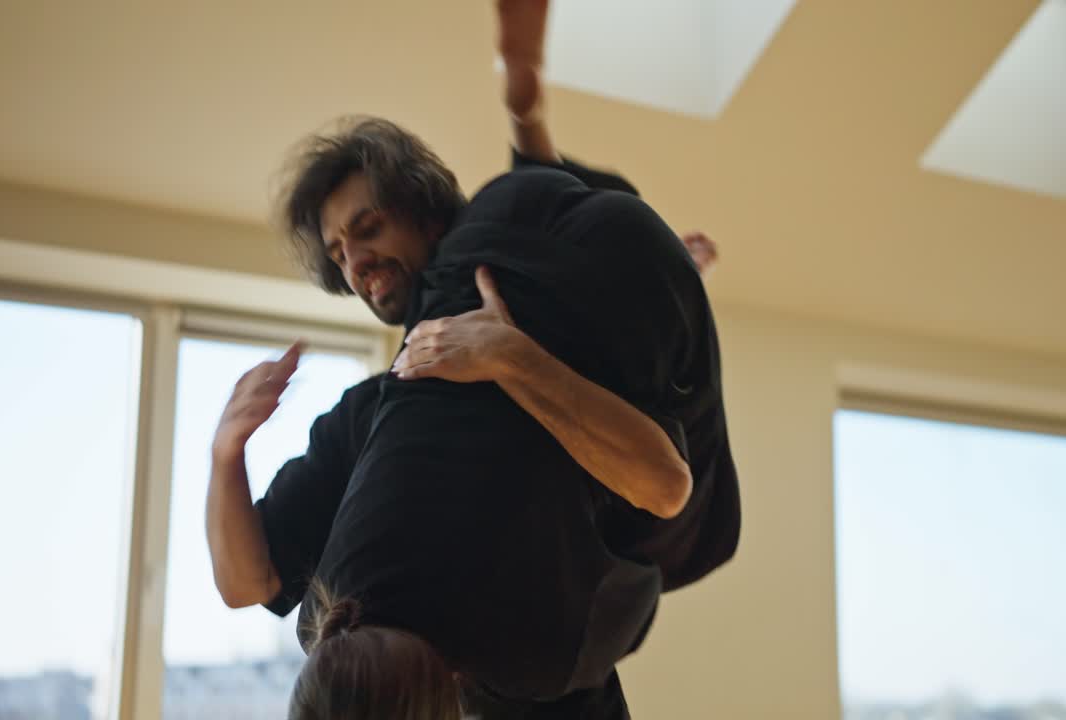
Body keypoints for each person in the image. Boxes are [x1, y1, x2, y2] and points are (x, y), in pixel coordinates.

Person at [205, 2, 737, 717]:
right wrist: (225, 453)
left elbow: (665, 484)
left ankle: (531, 126)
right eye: (339, 254)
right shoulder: (371, 419)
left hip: (567, 659)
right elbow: (248, 583)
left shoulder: (492, 289)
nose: (357, 262)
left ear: (428, 216)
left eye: (369, 230)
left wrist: (513, 354)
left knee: (516, 225)